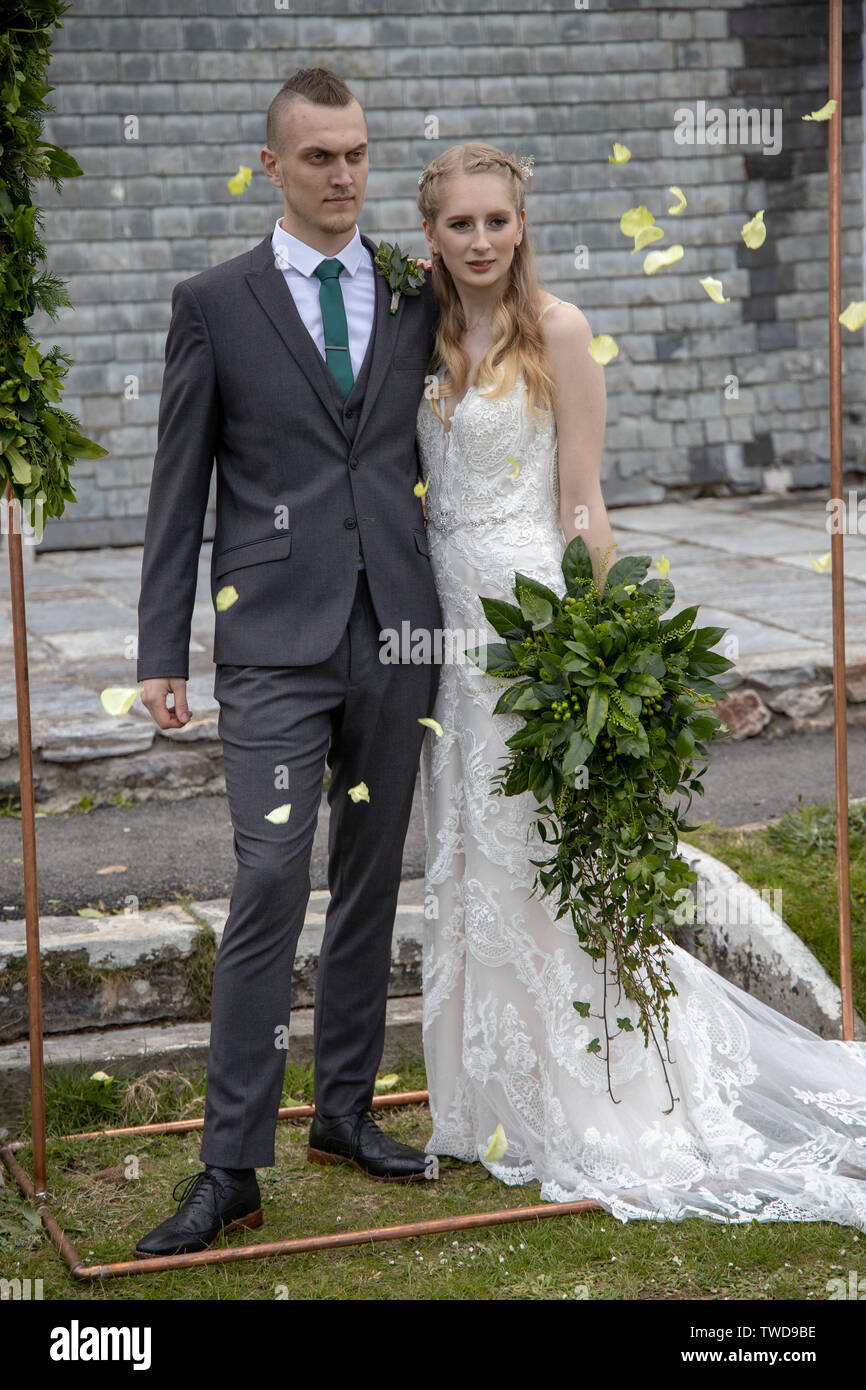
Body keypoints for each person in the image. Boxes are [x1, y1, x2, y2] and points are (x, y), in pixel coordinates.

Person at [415, 142, 866, 1233]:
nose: (479, 242)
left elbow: (581, 501)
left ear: (522, 225)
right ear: (429, 234)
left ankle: (609, 1098)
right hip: (448, 641)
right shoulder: (419, 337)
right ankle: (493, 1102)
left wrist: (605, 644)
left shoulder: (556, 334)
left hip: (532, 627)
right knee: (476, 866)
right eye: (458, 225)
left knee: (548, 868)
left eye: (495, 222)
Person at [133, 68, 443, 1259]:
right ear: (271, 165)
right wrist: (162, 647)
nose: (344, 175)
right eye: (319, 157)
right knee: (268, 875)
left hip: (397, 633)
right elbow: (177, 492)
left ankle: (348, 1113)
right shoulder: (213, 302)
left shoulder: (414, 292)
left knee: (371, 878)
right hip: (269, 643)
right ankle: (229, 1165)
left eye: (357, 152)